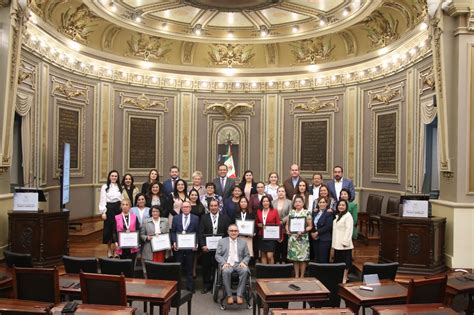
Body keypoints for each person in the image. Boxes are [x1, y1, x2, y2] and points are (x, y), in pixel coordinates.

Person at [199, 199, 231, 293]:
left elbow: (227, 233)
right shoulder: (204, 218)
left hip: (220, 248)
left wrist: (225, 246)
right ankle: (206, 285)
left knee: (218, 266)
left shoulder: (225, 218)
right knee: (206, 266)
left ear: (218, 207)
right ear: (209, 207)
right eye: (211, 206)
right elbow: (200, 233)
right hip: (207, 248)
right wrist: (203, 245)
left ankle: (216, 285)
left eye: (215, 206)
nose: (213, 207)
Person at [215, 224, 251, 305]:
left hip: (239, 264)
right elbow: (217, 255)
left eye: (235, 231)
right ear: (228, 232)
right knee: (226, 271)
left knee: (245, 270)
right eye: (231, 231)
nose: (233, 232)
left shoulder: (243, 242)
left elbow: (247, 255)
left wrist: (244, 262)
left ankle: (239, 295)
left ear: (238, 232)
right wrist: (223, 263)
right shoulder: (222, 241)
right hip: (227, 263)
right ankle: (229, 295)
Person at [171, 201, 199, 292]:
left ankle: (190, 288)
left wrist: (196, 243)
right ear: (181, 208)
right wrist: (174, 242)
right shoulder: (176, 218)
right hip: (179, 247)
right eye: (184, 207)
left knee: (190, 269)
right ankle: (177, 288)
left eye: (187, 207)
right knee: (178, 268)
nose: (186, 208)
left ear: (190, 208)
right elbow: (173, 232)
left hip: (190, 248)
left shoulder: (196, 218)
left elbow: (198, 232)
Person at [286, 196, 313, 277]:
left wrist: (303, 231)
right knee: (295, 258)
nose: (297, 203)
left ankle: (302, 276)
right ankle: (296, 275)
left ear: (303, 203)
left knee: (303, 258)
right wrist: (287, 230)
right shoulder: (291, 212)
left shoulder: (306, 212)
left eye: (299, 201)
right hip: (293, 238)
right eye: (296, 202)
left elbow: (310, 226)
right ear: (294, 203)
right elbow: (287, 224)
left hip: (302, 238)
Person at [99, 170, 123, 258]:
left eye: (116, 176)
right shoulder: (105, 187)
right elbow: (102, 200)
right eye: (112, 176)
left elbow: (122, 199)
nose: (114, 177)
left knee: (117, 230)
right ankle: (109, 249)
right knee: (109, 230)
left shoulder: (120, 187)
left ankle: (116, 250)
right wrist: (103, 212)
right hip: (109, 209)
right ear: (109, 177)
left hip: (118, 210)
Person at [332, 200, 354, 283]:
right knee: (338, 262)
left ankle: (345, 278)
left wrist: (345, 242)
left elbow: (349, 230)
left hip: (344, 244)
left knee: (346, 262)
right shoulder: (338, 215)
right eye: (339, 205)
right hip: (337, 244)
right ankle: (339, 278)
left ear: (346, 206)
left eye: (343, 205)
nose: (341, 206)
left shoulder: (348, 216)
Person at [255, 196, 281, 264]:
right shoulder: (259, 211)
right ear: (261, 203)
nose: (265, 203)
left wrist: (280, 236)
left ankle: (271, 272)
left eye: (267, 201)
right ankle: (265, 273)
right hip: (261, 235)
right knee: (263, 255)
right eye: (264, 201)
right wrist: (260, 225)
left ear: (269, 202)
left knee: (269, 256)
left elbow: (278, 223)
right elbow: (257, 223)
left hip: (271, 236)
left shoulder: (274, 211)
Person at [114, 199, 140, 264]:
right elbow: (114, 231)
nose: (125, 206)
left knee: (132, 263)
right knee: (123, 263)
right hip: (121, 244)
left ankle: (131, 274)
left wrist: (137, 241)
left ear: (130, 206)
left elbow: (138, 229)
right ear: (121, 206)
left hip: (132, 244)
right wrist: (116, 241)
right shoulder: (116, 217)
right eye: (123, 204)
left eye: (127, 204)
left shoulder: (134, 217)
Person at [310, 197, 333, 263]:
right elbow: (312, 224)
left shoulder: (329, 213)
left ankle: (323, 273)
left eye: (323, 202)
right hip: (315, 239)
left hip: (324, 239)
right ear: (318, 203)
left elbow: (328, 226)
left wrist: (317, 233)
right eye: (320, 202)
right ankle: (317, 273)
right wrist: (312, 233)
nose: (322, 204)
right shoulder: (315, 212)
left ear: (326, 204)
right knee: (317, 258)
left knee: (323, 259)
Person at [272, 186, 291, 263]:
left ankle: (284, 261)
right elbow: (271, 213)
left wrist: (282, 221)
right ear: (277, 193)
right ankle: (276, 261)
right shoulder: (272, 202)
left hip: (285, 226)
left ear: (285, 192)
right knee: (276, 246)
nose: (281, 193)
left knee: (284, 245)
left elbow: (290, 214)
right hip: (275, 227)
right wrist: (276, 221)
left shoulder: (289, 202)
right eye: (279, 191)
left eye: (282, 191)